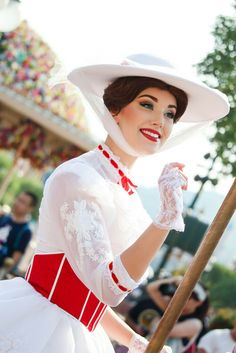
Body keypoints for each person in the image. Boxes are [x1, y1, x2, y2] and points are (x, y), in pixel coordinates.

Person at [0, 54, 229, 353]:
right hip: (37, 327)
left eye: (170, 113)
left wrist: (135, 341)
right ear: (115, 109)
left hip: (80, 333)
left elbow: (85, 296)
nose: (160, 121)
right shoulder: (79, 177)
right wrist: (165, 218)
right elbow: (108, 287)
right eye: (147, 104)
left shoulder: (126, 190)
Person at [146, 276, 210, 353]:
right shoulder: (171, 307)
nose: (186, 297)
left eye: (191, 296)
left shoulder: (195, 323)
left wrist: (154, 322)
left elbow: (160, 330)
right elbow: (151, 288)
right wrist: (174, 280)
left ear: (199, 303)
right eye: (185, 292)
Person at [0, 191, 37, 270]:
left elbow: (11, 263)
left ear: (30, 208)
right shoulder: (3, 218)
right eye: (18, 199)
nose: (17, 203)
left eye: (22, 202)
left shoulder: (26, 231)